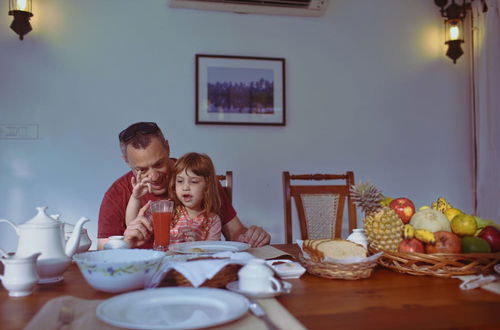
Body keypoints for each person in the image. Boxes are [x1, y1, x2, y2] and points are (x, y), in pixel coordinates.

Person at [97, 122, 270, 249]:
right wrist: (127, 244)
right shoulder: (117, 193)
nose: (154, 176)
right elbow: (102, 252)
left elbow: (235, 232)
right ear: (126, 161)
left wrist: (252, 237)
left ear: (167, 148)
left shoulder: (198, 178)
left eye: (159, 164)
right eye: (141, 170)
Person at [125, 152, 222, 243]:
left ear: (207, 186)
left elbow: (211, 252)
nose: (185, 187)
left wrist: (197, 244)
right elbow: (133, 225)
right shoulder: (168, 209)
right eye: (180, 181)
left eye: (194, 182)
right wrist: (135, 197)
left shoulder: (212, 221)